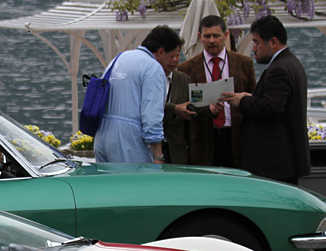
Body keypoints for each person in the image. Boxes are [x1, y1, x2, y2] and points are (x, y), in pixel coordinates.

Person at [220, 15, 310, 184]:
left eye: (256, 42)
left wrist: (242, 101)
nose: (254, 48)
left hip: (274, 162)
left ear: (273, 42)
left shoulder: (279, 69)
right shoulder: (292, 63)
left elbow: (271, 107)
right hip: (284, 161)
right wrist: (252, 98)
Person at [94, 25, 183, 164]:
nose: (175, 61)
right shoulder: (153, 68)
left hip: (102, 137)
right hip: (128, 138)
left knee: (110, 185)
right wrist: (158, 156)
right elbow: (152, 115)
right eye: (172, 55)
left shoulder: (120, 58)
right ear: (160, 52)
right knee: (137, 184)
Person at [177, 15, 256, 168]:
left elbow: (254, 100)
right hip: (203, 141)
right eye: (207, 36)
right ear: (200, 37)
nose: (212, 40)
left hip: (236, 139)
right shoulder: (187, 68)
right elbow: (184, 107)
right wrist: (208, 110)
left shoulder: (244, 63)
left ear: (225, 36)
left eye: (216, 36)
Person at [162, 62, 192, 165]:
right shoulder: (148, 77)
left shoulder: (183, 79)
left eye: (177, 55)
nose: (174, 60)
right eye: (171, 57)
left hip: (177, 147)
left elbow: (192, 105)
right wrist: (174, 109)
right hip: (153, 146)